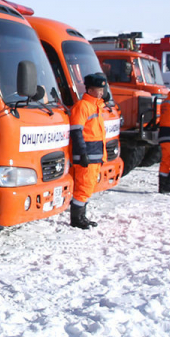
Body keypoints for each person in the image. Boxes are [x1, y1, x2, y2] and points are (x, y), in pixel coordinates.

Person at [68, 72, 109, 229]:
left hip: (94, 154)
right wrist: (82, 153)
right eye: (98, 89)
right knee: (83, 188)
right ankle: (77, 219)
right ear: (90, 90)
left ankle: (81, 217)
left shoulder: (95, 106)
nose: (101, 92)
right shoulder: (83, 106)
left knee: (88, 186)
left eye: (102, 90)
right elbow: (77, 131)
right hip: (87, 155)